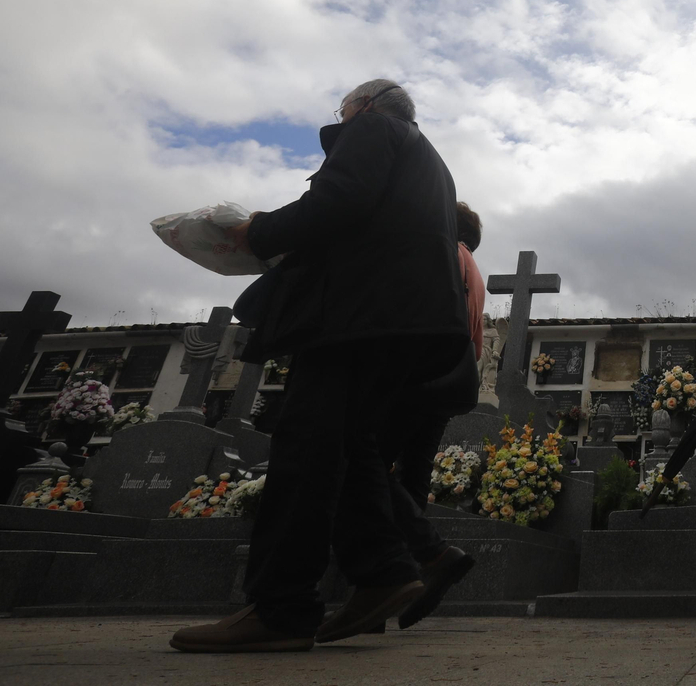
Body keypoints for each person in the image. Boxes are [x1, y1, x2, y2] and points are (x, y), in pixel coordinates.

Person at [170, 79, 471, 653]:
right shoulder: (425, 156)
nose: (341, 117)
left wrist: (254, 230)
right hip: (395, 318)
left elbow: (338, 201)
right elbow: (366, 217)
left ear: (366, 106)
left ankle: (282, 607)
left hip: (357, 315)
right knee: (347, 445)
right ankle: (383, 569)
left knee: (306, 445)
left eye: (343, 109)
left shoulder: (373, 129)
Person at [379, 200, 490, 631]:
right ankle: (398, 582)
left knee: (364, 462)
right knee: (412, 477)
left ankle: (423, 559)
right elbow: (477, 342)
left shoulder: (445, 251)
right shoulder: (475, 274)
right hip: (451, 381)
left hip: (418, 374)